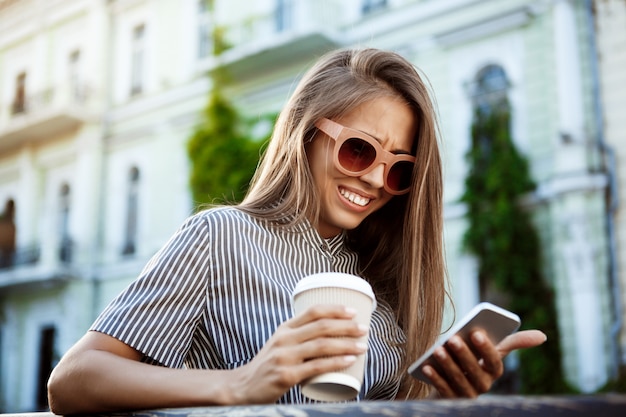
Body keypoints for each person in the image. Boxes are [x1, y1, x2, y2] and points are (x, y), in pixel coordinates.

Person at [47, 48, 546, 414]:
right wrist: (240, 384)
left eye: (400, 170)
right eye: (359, 149)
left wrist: (442, 395)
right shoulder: (220, 236)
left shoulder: (382, 284)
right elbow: (71, 381)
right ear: (306, 134)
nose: (375, 179)